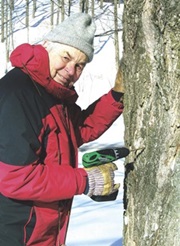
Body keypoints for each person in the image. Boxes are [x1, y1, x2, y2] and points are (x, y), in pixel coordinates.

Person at [0, 13, 124, 246]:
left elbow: (78, 130)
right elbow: (16, 179)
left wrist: (116, 97)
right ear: (46, 46)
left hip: (47, 229)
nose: (70, 70)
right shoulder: (18, 93)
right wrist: (85, 181)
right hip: (17, 233)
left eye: (79, 65)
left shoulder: (52, 93)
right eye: (65, 57)